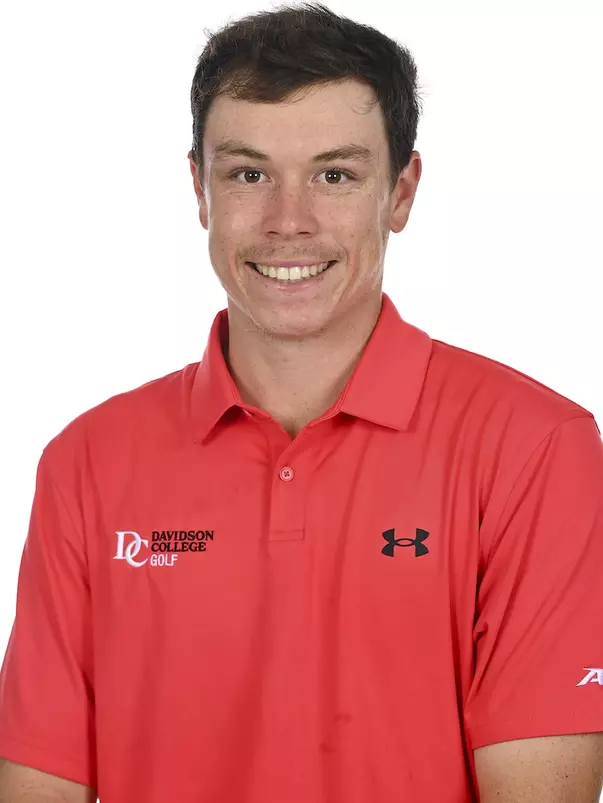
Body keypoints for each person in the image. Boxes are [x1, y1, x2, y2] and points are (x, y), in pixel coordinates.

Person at [1, 2, 602, 801]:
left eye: (334, 175)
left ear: (400, 192)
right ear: (199, 189)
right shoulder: (86, 460)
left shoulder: (535, 446)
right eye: (249, 174)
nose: (289, 221)